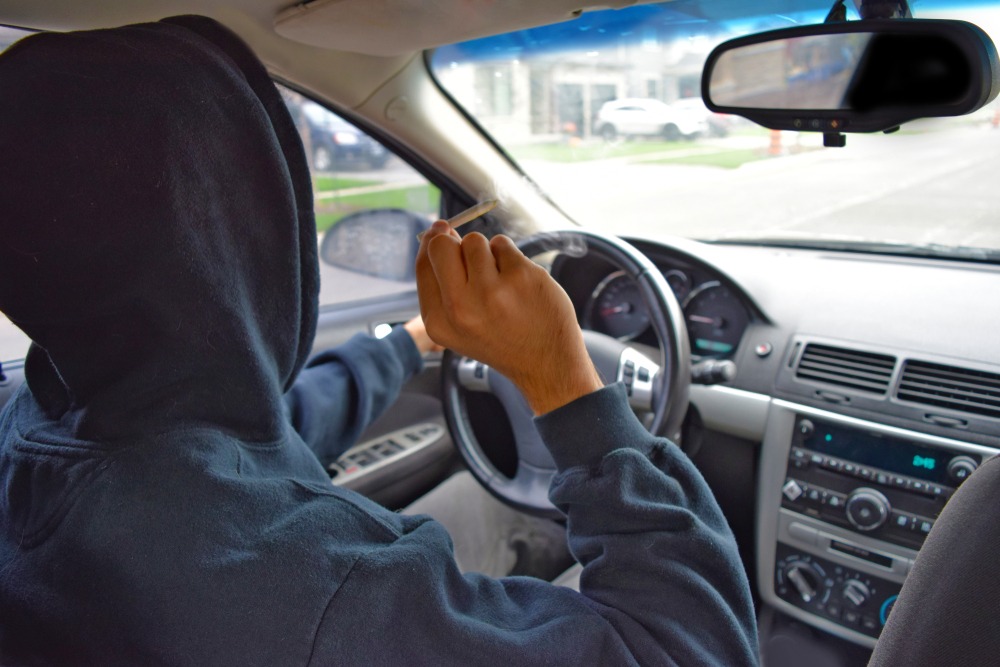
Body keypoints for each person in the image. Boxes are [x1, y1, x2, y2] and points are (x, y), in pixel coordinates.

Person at [0, 15, 758, 666]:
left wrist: (413, 341)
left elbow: (262, 429)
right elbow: (685, 644)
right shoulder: (302, 587)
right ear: (246, 238)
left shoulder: (43, 417)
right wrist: (563, 378)